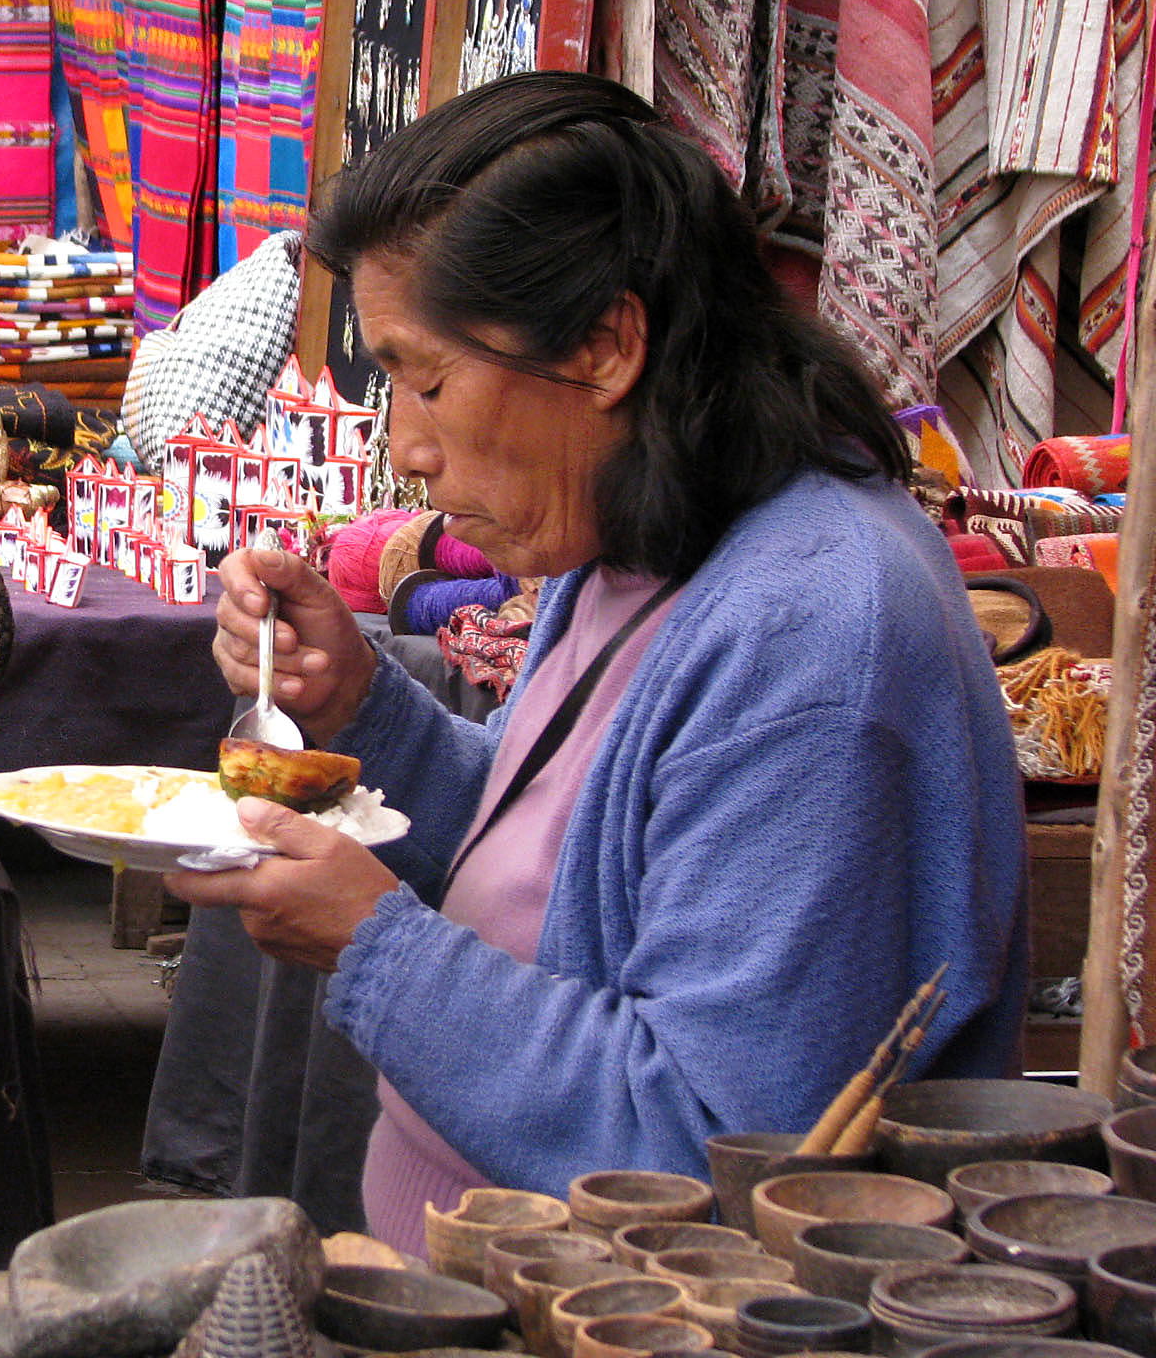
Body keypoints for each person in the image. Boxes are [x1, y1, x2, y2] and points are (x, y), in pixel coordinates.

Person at [165, 71, 1027, 1255]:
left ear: (605, 346)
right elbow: (565, 869)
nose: (405, 446)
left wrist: (377, 949)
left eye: (426, 378)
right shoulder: (632, 530)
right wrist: (364, 707)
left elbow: (714, 1146)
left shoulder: (814, 638)